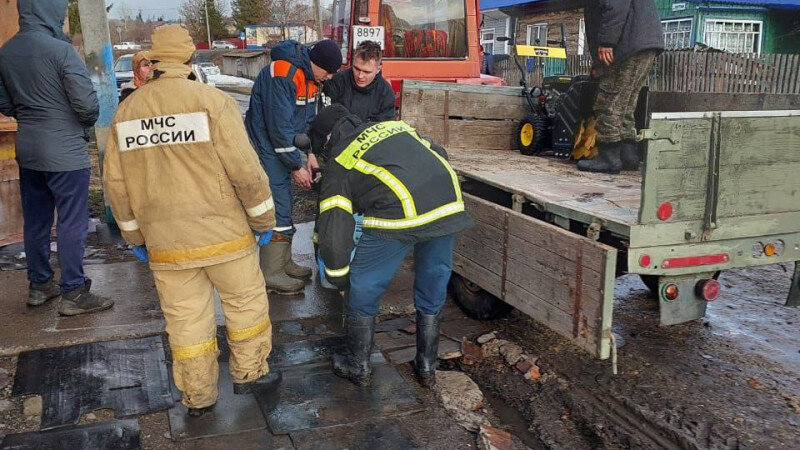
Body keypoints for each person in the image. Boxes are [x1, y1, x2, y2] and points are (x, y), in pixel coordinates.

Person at [103, 25, 280, 417]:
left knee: (185, 321)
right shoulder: (211, 101)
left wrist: (135, 236)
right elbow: (246, 171)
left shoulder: (127, 111)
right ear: (188, 59)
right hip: (225, 237)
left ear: (153, 59)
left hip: (166, 245)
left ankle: (199, 396)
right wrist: (264, 220)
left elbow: (115, 184)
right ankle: (249, 373)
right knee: (245, 304)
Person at [310, 106, 473, 388]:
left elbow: (334, 229)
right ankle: (426, 366)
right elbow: (437, 152)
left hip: (400, 212)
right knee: (433, 280)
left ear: (326, 141)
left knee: (364, 284)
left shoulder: (340, 160)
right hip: (448, 201)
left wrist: (338, 278)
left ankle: (358, 365)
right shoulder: (393, 126)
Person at [0, 0, 113, 316]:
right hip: (65, 152)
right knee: (71, 221)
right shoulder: (60, 51)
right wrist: (71, 121)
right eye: (60, 12)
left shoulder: (6, 52)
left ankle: (40, 285)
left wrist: (31, 112)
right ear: (47, 10)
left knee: (35, 221)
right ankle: (74, 292)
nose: (63, 17)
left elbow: (4, 103)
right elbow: (88, 106)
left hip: (29, 149)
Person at [245, 39, 342, 294]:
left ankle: (283, 262)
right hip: (266, 145)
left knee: (286, 200)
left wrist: (308, 154)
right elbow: (279, 128)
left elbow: (304, 123)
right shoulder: (284, 73)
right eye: (328, 71)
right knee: (278, 203)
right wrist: (294, 166)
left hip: (281, 144)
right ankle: (271, 271)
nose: (329, 77)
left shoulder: (310, 79)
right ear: (315, 63)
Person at [579, 0, 664, 174]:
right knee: (626, 103)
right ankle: (628, 156)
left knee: (608, 102)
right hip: (643, 43)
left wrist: (606, 41)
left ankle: (608, 159)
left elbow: (615, 5)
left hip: (627, 44)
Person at [322, 40, 396, 123]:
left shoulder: (386, 93)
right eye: (356, 69)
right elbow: (326, 117)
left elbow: (385, 127)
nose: (360, 76)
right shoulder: (337, 81)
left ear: (378, 69)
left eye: (366, 72)